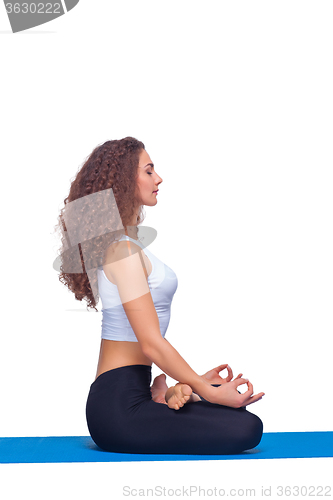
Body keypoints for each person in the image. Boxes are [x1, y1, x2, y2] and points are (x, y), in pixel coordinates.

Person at [55, 136, 264, 455]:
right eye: (149, 171)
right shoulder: (122, 251)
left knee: (238, 416)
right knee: (247, 428)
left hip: (134, 389)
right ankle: (167, 397)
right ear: (125, 180)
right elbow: (151, 343)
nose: (159, 178)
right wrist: (204, 388)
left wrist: (197, 384)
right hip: (116, 408)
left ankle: (164, 395)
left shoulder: (128, 245)